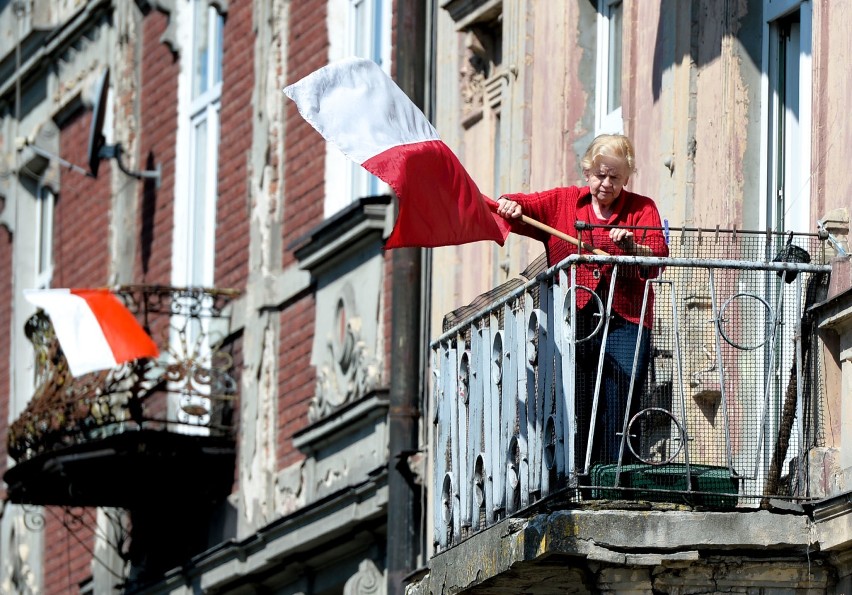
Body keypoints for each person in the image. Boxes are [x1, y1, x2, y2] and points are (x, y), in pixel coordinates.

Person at [495, 133, 668, 467]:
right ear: (587, 172)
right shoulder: (562, 202)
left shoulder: (642, 208)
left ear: (626, 178)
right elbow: (519, 207)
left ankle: (614, 480)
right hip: (576, 318)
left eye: (614, 177)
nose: (605, 183)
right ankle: (580, 478)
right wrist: (509, 203)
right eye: (600, 175)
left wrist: (632, 247)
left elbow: (658, 256)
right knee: (579, 402)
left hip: (627, 322)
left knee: (619, 404)